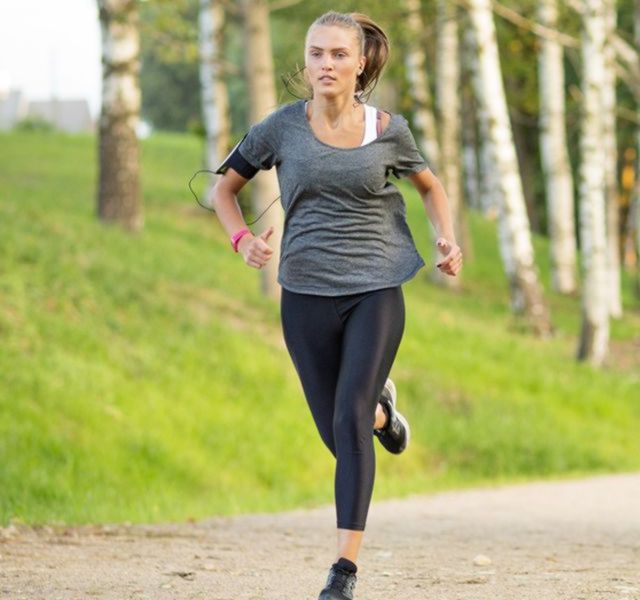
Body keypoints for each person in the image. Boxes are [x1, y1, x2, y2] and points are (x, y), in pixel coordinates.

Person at [209, 10, 462, 600]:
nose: (326, 64)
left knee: (345, 420)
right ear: (306, 62)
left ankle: (343, 571)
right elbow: (224, 189)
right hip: (303, 289)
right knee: (339, 429)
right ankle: (384, 416)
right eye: (317, 53)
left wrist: (445, 235)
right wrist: (243, 240)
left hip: (377, 284)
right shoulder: (279, 128)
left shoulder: (387, 129)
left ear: (361, 63)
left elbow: (429, 185)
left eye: (338, 55)